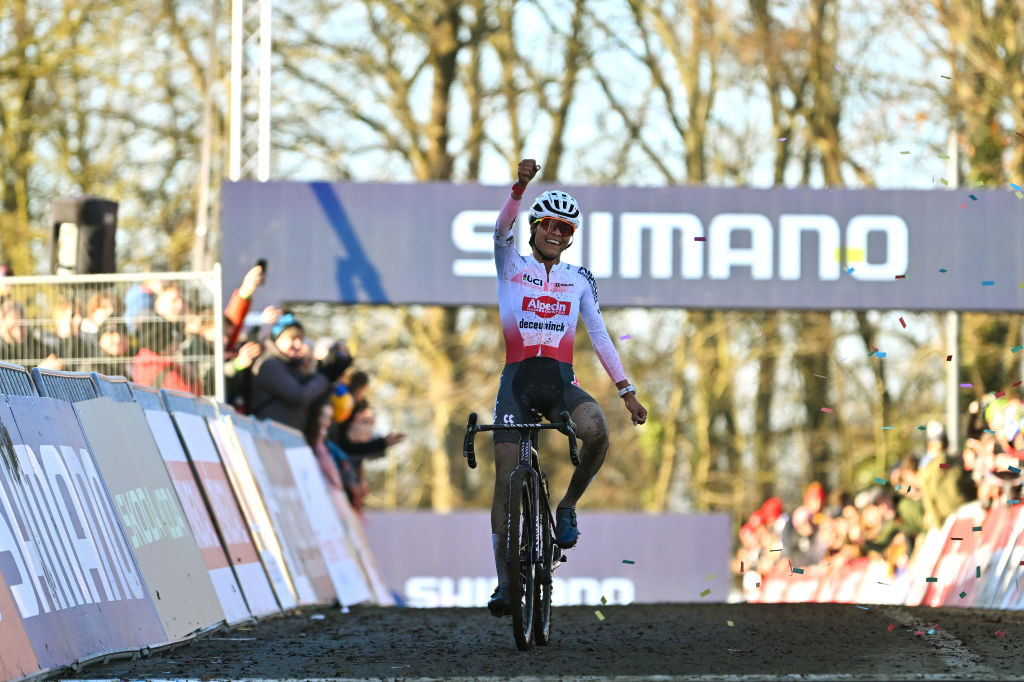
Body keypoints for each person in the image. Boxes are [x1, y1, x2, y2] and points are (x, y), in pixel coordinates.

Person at [486, 159, 648, 617]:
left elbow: (598, 334)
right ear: (535, 227)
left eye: (566, 229)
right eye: (550, 225)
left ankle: (568, 506)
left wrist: (626, 390)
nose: (557, 233)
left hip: (559, 384)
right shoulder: (512, 265)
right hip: (516, 384)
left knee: (596, 429)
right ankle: (504, 585)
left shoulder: (579, 280)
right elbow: (501, 230)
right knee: (503, 480)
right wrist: (518, 188)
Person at [248, 311, 351, 432]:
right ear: (276, 338)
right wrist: (324, 376)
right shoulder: (270, 365)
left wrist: (331, 373)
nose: (297, 344)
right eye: (292, 338)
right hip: (269, 437)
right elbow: (298, 397)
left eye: (300, 339)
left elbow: (313, 402)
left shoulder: (293, 366)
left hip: (287, 437)